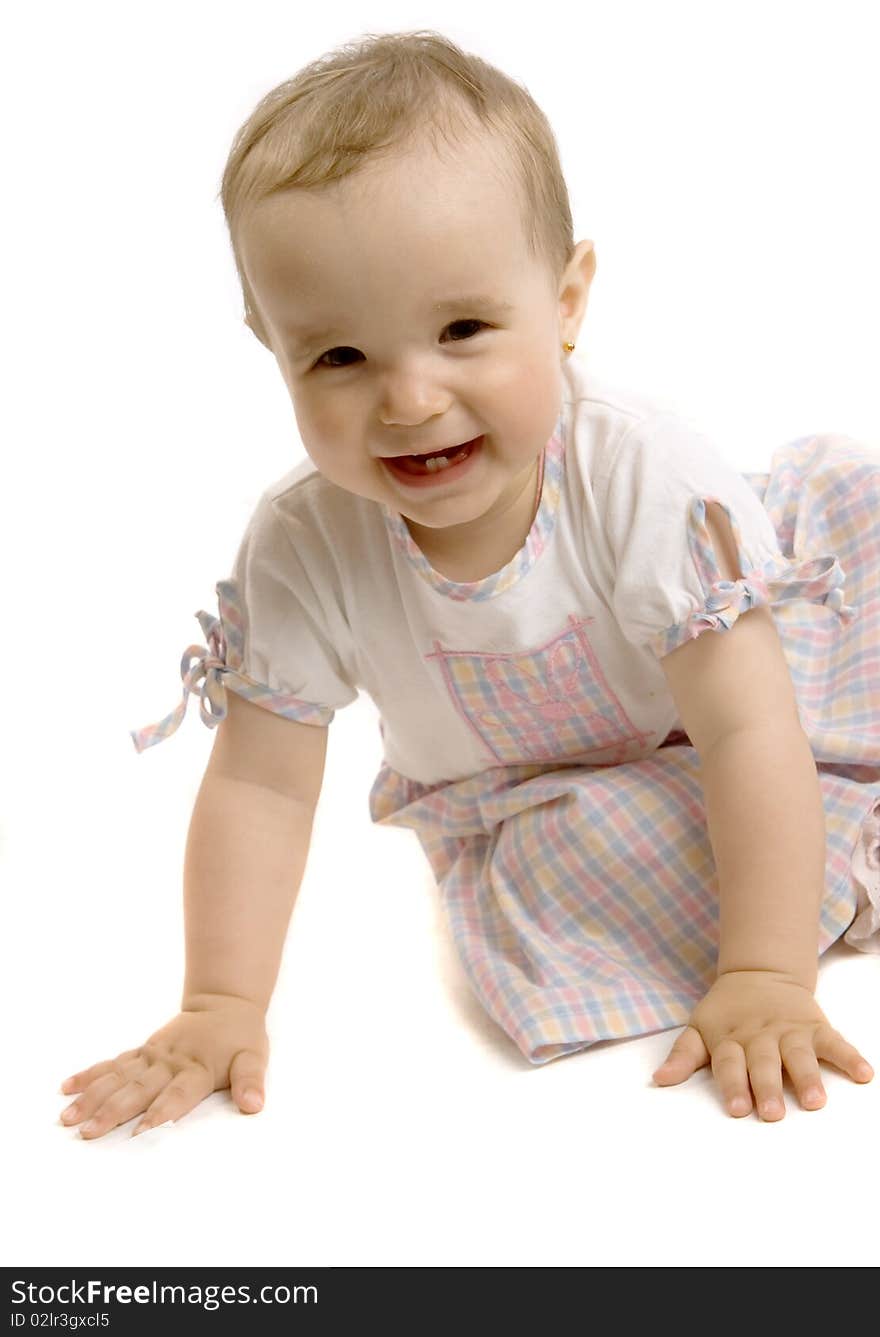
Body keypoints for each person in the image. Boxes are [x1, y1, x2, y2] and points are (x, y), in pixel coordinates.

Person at [59, 29, 879, 1141]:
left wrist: (768, 973)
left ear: (567, 300)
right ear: (274, 348)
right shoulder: (306, 542)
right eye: (337, 357)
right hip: (552, 780)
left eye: (463, 330)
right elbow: (261, 784)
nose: (406, 397)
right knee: (575, 871)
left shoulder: (638, 474)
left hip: (761, 681)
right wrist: (220, 1003)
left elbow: (744, 727)